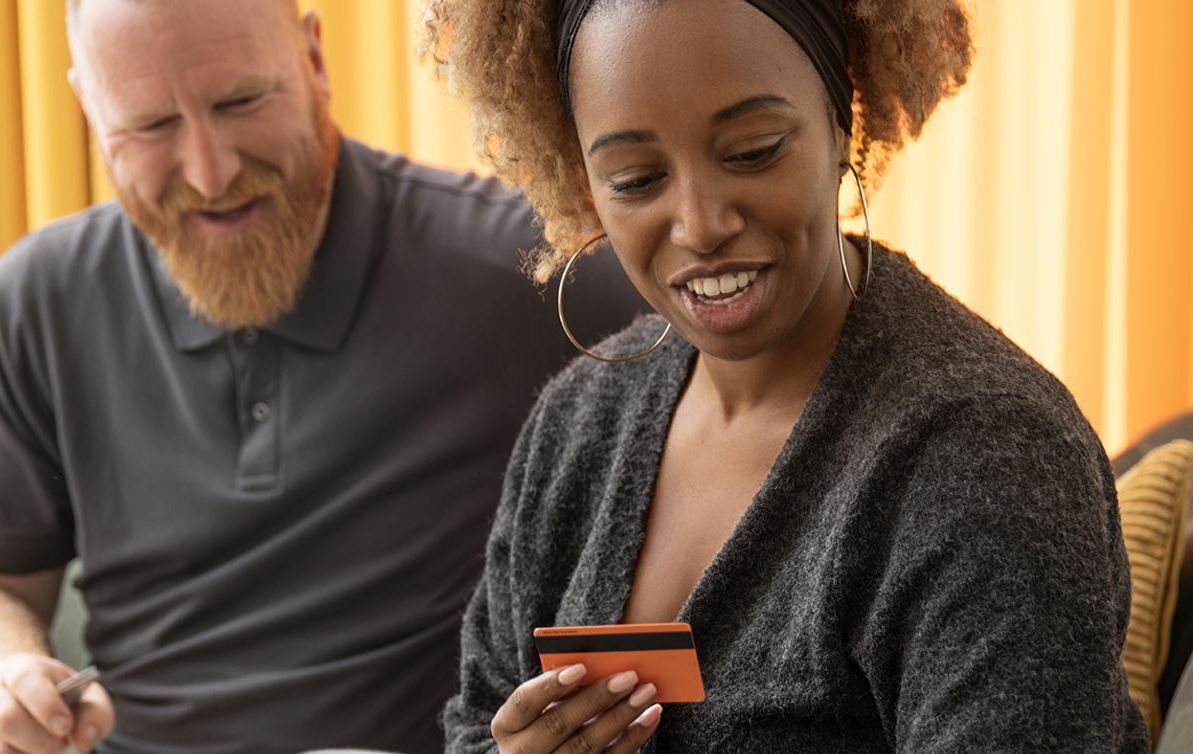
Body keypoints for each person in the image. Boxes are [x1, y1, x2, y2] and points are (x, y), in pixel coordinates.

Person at [0, 1, 647, 753]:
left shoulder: (528, 270)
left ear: (314, 61)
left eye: (240, 101)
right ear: (90, 112)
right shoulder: (38, 298)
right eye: (150, 124)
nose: (209, 169)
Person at [420, 0, 1152, 751]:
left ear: (843, 113)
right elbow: (479, 719)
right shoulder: (576, 426)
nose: (700, 225)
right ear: (581, 178)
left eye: (753, 149)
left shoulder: (990, 456)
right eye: (637, 179)